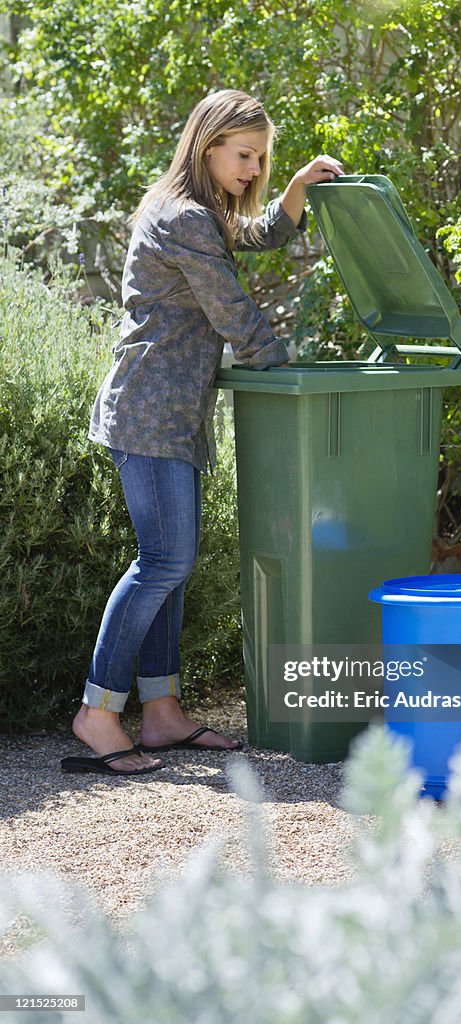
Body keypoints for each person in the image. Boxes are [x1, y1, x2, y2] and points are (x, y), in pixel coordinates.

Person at [60, 88, 343, 776]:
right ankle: (98, 711)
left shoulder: (201, 212)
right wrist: (286, 372)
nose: (253, 169)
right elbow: (230, 307)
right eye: (245, 156)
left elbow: (258, 233)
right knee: (164, 563)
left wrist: (300, 186)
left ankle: (160, 713)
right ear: (208, 144)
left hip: (170, 414)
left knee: (171, 568)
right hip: (149, 411)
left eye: (262, 158)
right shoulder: (184, 217)